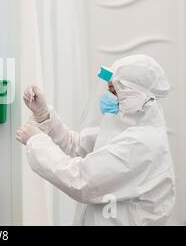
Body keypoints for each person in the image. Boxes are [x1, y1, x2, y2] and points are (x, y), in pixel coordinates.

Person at [16, 55, 175, 225]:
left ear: (135, 96)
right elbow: (76, 145)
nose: (108, 96)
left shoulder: (141, 144)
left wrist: (37, 142)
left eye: (114, 90)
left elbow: (81, 180)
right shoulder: (125, 128)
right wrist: (44, 115)